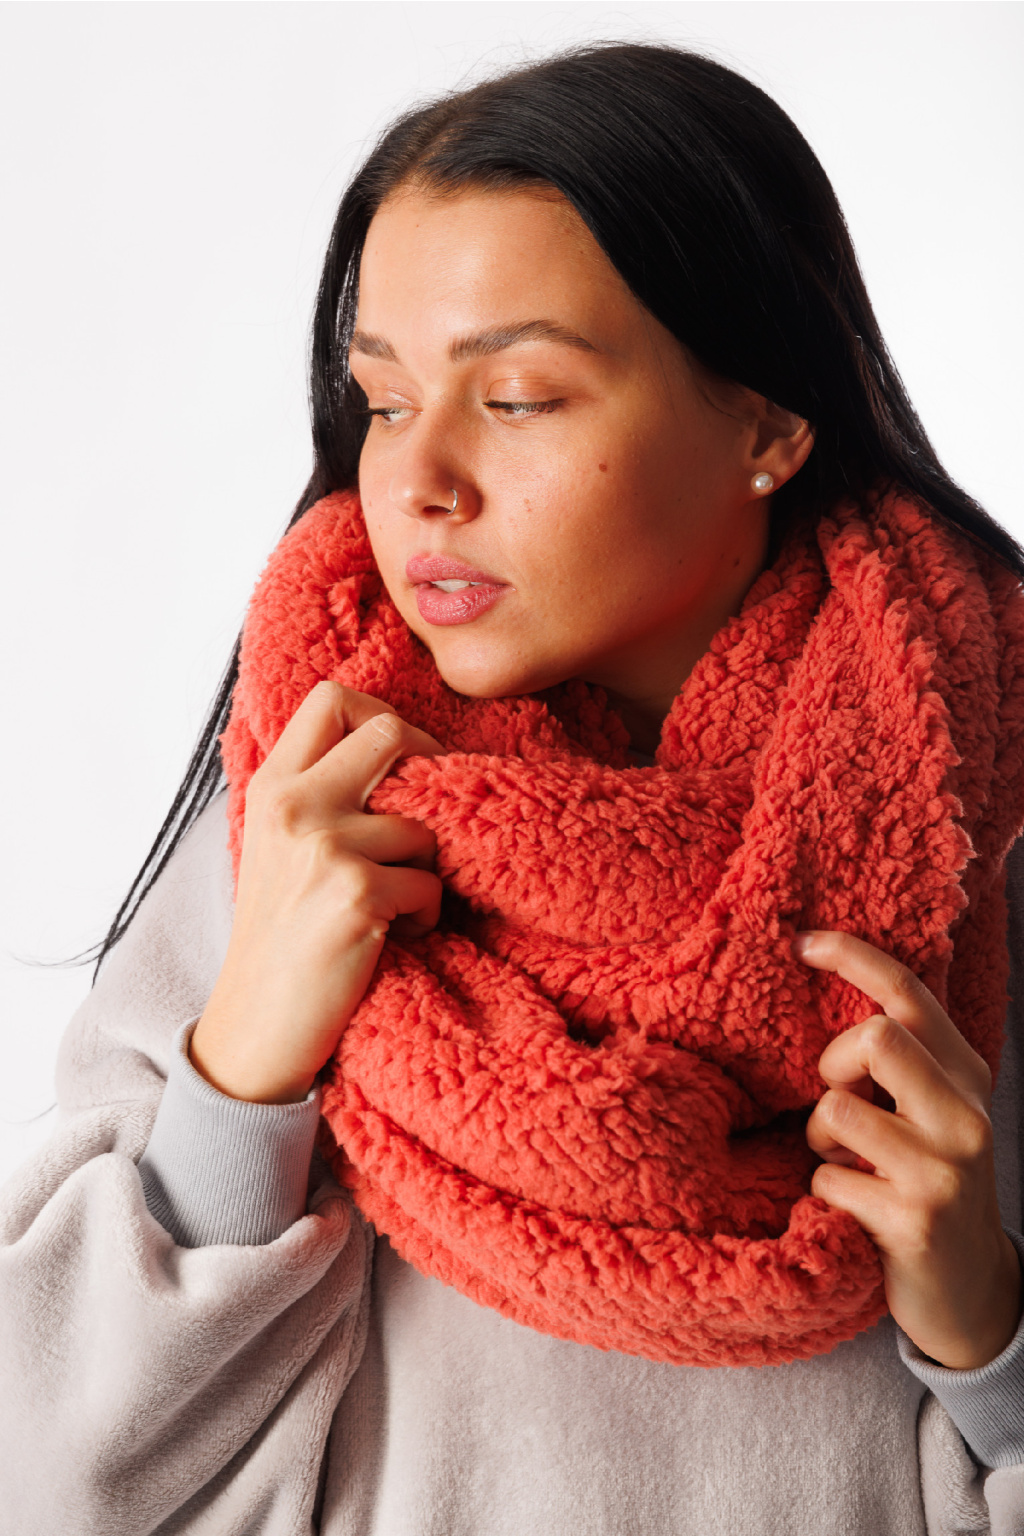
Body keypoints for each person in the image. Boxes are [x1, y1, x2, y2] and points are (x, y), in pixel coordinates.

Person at [2, 41, 1023, 1534]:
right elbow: (43, 1483)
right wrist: (247, 1069)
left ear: (767, 424)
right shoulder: (300, 839)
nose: (422, 478)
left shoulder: (978, 858)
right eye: (383, 401)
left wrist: (991, 1337)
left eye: (522, 396)